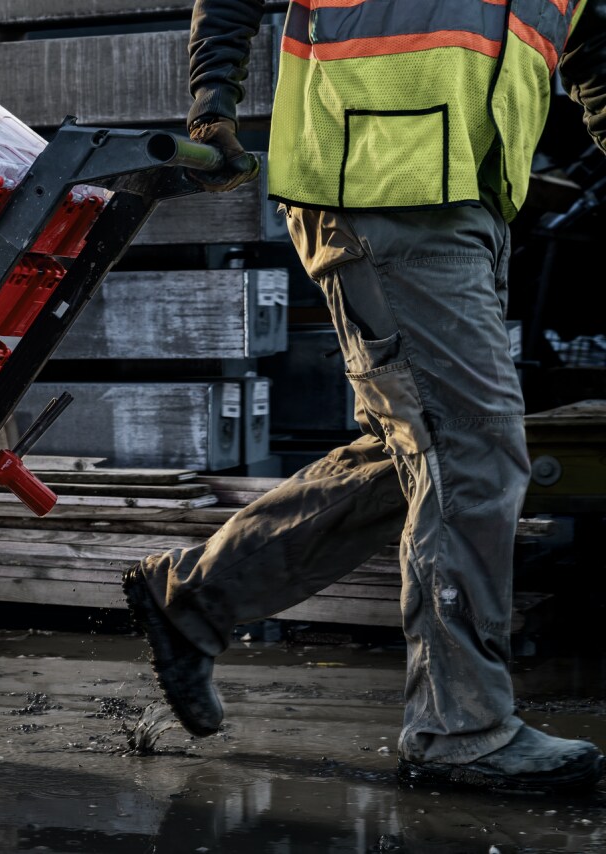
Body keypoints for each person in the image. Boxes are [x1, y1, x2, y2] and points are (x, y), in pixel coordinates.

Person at [122, 0, 606, 793]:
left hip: (473, 197)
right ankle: (463, 729)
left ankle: (195, 597)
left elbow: (593, 53)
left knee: (415, 448)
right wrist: (213, 103)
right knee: (472, 451)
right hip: (378, 180)